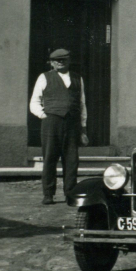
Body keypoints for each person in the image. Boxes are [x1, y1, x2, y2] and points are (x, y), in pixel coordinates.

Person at [29, 48, 88, 206]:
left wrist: (83, 127)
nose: (60, 62)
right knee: (50, 159)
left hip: (72, 124)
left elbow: (82, 104)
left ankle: (70, 193)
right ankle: (48, 194)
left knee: (71, 160)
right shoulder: (44, 77)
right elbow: (34, 102)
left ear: (69, 61)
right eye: (57, 60)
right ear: (52, 62)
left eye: (63, 60)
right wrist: (44, 115)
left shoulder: (77, 79)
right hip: (51, 123)